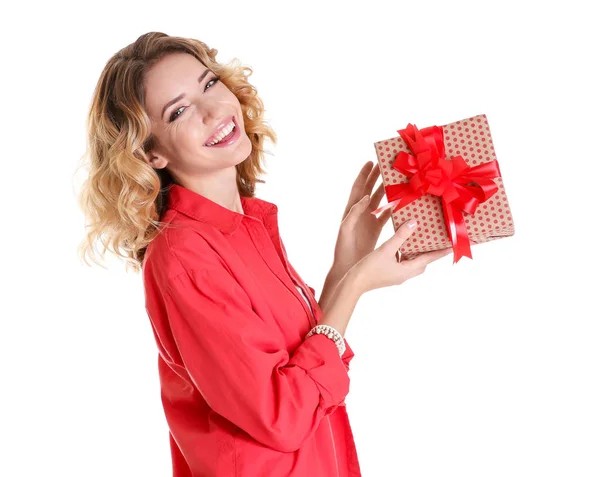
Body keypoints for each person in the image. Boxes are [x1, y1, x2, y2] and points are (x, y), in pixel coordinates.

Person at [76, 31, 453, 477]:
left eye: (210, 84)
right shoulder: (183, 256)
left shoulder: (244, 226)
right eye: (179, 111)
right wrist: (355, 286)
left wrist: (344, 268)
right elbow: (283, 416)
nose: (215, 111)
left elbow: (302, 367)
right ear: (149, 151)